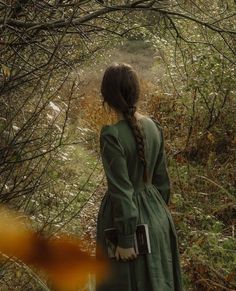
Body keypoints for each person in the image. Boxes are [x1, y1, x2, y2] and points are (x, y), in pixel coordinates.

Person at [95, 62, 183, 291]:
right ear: (136, 91)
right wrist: (156, 216)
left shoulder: (111, 134)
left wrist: (125, 240)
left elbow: (122, 191)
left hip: (127, 225)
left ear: (106, 95)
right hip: (158, 218)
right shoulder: (153, 126)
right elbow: (162, 183)